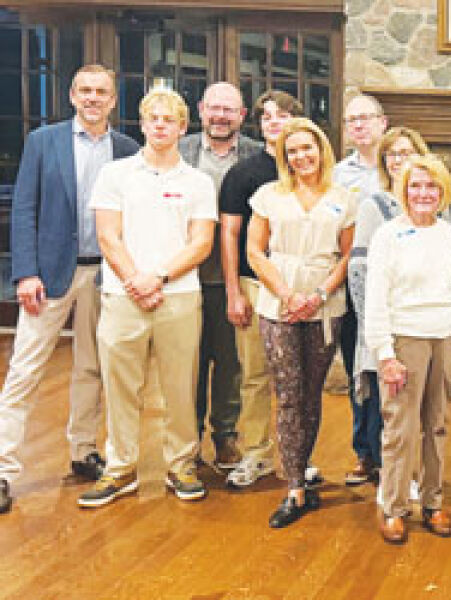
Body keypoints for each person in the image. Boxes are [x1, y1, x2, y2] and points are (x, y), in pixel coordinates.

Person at [0, 64, 138, 513]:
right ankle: (3, 470)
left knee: (91, 369)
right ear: (73, 95)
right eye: (86, 91)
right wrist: (25, 273)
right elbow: (24, 210)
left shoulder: (127, 150)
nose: (94, 98)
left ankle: (84, 451)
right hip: (50, 275)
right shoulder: (44, 142)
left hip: (106, 275)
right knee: (25, 371)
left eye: (102, 91)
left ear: (113, 100)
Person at [78, 87, 217, 508]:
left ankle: (181, 465)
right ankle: (120, 469)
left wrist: (157, 277)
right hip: (123, 297)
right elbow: (108, 235)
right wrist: (135, 280)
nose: (160, 125)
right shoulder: (116, 174)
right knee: (120, 387)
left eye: (169, 119)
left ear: (182, 127)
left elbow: (201, 243)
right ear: (142, 124)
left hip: (179, 297)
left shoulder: (197, 181)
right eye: (152, 118)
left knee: (180, 386)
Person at [246, 118, 355, 528]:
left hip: (325, 306)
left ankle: (303, 466)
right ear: (283, 156)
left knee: (311, 392)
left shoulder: (344, 198)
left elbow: (346, 256)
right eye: (292, 151)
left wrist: (319, 296)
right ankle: (293, 487)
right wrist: (288, 295)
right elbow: (255, 252)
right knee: (288, 393)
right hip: (280, 307)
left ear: (321, 149)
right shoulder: (269, 196)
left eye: (307, 148)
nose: (300, 156)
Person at [364, 155, 451, 545]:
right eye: (416, 186)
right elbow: (375, 299)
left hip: (444, 336)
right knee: (400, 428)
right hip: (404, 339)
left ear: (443, 192)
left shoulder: (446, 232)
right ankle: (392, 507)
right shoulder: (388, 235)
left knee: (438, 425)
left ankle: (432, 501)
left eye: (432, 187)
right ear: (403, 190)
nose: (423, 193)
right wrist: (385, 354)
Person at [218, 90, 304, 489]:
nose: (273, 121)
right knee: (254, 374)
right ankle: (256, 453)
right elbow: (231, 234)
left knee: (299, 379)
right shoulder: (244, 173)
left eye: (282, 115)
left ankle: (300, 457)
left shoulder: (311, 168)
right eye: (266, 116)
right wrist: (234, 291)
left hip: (302, 289)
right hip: (255, 286)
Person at [179, 81, 264, 470]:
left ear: (242, 116)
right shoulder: (179, 152)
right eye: (214, 108)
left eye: (229, 110)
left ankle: (225, 435)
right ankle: (188, 438)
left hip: (233, 277)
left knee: (230, 364)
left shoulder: (256, 157)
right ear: (200, 110)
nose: (220, 116)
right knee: (188, 361)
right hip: (184, 276)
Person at [347, 125, 430, 491]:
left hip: (421, 320)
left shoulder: (433, 203)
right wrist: (374, 328)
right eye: (393, 154)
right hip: (383, 321)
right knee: (385, 403)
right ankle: (389, 477)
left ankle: (409, 473)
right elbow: (359, 271)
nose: (400, 160)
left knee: (416, 405)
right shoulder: (374, 206)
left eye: (407, 153)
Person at [334, 93, 389, 486]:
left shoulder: (402, 166)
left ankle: (389, 448)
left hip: (396, 290)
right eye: (351, 119)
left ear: (382, 123)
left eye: (366, 118)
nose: (358, 125)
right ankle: (363, 452)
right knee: (360, 366)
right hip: (355, 289)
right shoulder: (337, 175)